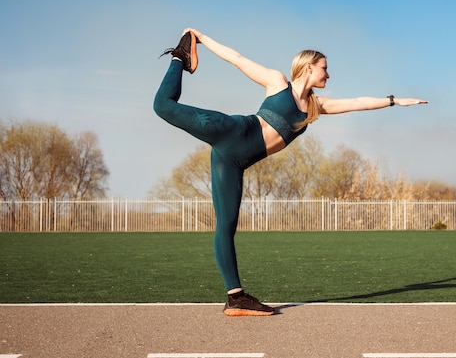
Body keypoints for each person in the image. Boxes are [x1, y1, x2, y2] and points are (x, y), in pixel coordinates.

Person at [154, 29, 428, 316]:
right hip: (232, 131)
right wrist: (200, 39)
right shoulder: (277, 82)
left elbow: (357, 102)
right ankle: (179, 56)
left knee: (226, 226)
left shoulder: (315, 107)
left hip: (232, 161)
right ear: (310, 67)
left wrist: (394, 101)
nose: (328, 75)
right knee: (163, 106)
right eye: (325, 68)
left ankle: (235, 298)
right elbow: (237, 59)